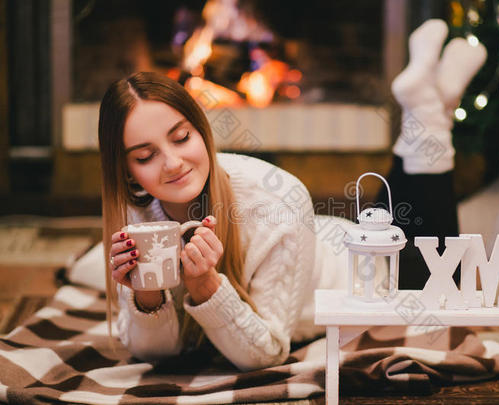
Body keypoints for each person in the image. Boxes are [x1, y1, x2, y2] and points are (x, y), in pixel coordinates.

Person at [99, 71, 346, 371]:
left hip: (350, 267)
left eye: (182, 138)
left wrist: (206, 285)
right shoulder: (134, 210)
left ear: (202, 130)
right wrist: (146, 294)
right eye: (145, 156)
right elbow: (154, 356)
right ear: (127, 171)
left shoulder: (280, 202)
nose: (173, 163)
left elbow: (265, 354)